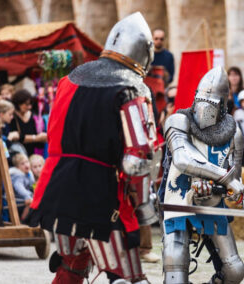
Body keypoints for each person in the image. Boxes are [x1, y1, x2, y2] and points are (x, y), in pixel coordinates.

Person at [25, 12, 158, 284]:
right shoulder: (133, 87)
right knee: (127, 277)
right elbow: (139, 157)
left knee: (71, 267)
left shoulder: (70, 79)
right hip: (101, 193)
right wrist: (144, 206)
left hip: (58, 187)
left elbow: (53, 134)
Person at [160, 66, 244, 283]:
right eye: (201, 100)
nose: (204, 109)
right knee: (175, 269)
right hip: (178, 202)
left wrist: (232, 191)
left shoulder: (234, 133)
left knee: (235, 271)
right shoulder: (178, 121)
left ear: (223, 106)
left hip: (212, 205)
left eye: (211, 104)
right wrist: (226, 180)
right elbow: (183, 158)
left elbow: (235, 178)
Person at [9, 90, 47, 156]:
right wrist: (36, 138)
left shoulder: (34, 116)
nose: (29, 107)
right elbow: (15, 136)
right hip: (18, 154)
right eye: (26, 104)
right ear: (18, 103)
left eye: (30, 104)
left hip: (33, 153)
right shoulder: (12, 117)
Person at [9, 153, 35, 218]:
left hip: (22, 196)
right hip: (16, 198)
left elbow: (31, 185)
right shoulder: (18, 175)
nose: (26, 165)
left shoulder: (28, 173)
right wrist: (27, 196)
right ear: (17, 167)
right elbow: (19, 188)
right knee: (30, 202)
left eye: (27, 162)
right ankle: (24, 220)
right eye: (22, 164)